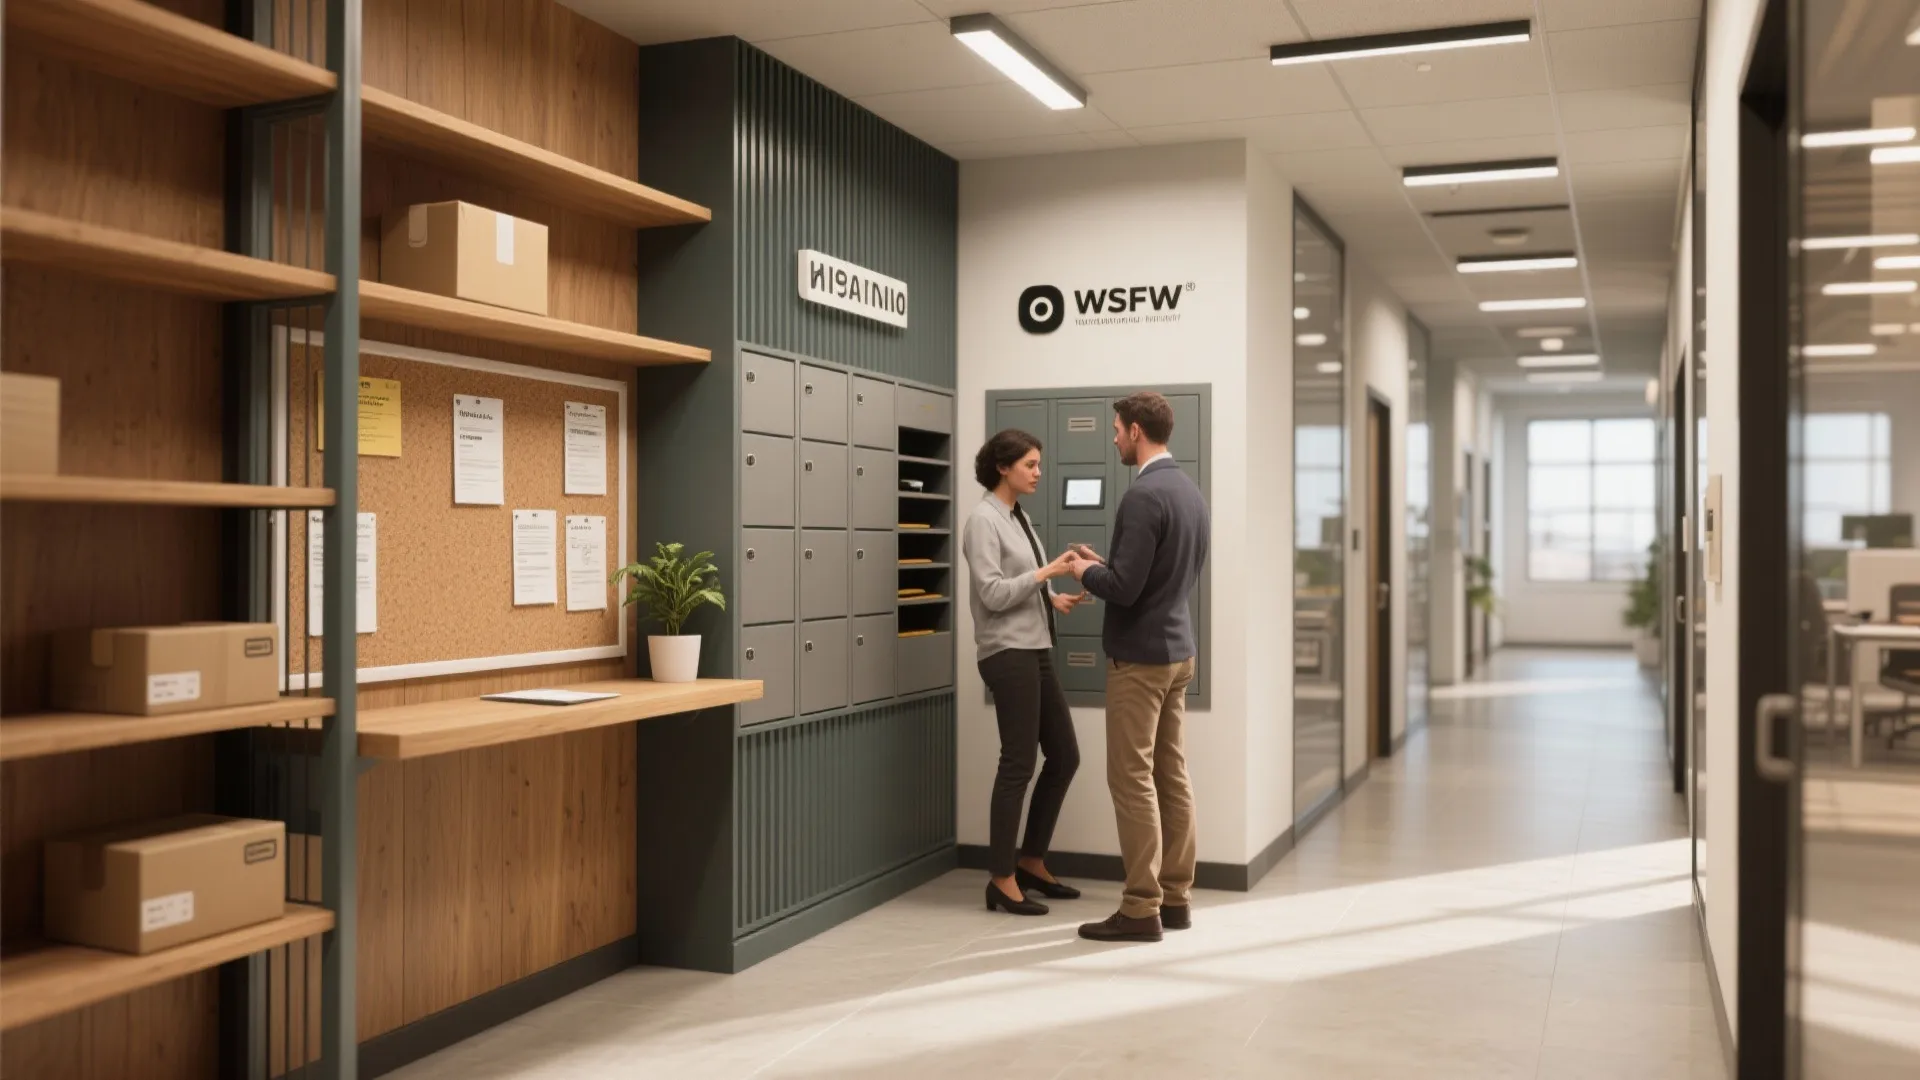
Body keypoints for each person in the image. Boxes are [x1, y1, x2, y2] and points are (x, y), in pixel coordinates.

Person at [1066, 391, 1210, 943]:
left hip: (1140, 661)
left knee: (1131, 780)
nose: (1114, 438)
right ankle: (1175, 898)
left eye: (1117, 429)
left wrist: (1083, 571)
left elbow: (1124, 590)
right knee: (1171, 775)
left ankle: (1139, 906)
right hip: (1179, 653)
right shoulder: (1189, 492)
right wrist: (1109, 567)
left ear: (1134, 432)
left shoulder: (1142, 496)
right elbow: (1158, 576)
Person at [962, 429, 1087, 916]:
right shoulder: (982, 521)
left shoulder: (1018, 516)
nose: (1038, 472)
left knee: (1064, 756)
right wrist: (1045, 575)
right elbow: (992, 594)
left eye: (1038, 464)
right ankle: (1001, 877)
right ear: (1003, 467)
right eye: (1030, 465)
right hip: (1005, 653)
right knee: (1018, 763)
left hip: (1033, 645)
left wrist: (1051, 598)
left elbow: (1019, 587)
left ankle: (1031, 860)